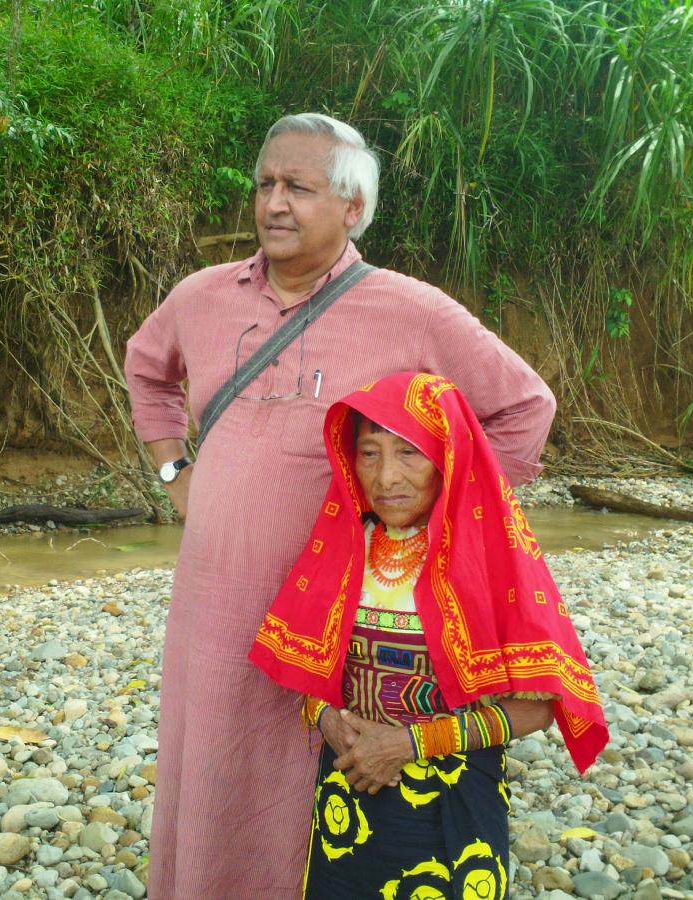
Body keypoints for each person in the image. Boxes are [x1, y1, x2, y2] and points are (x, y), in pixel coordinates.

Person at [124, 113, 558, 898]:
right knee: (213, 760)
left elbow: (525, 407)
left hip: (341, 615)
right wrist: (173, 473)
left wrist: (450, 525)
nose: (274, 204)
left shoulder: (411, 310)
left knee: (310, 775)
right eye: (265, 184)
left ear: (353, 208)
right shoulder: (201, 296)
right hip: (214, 601)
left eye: (299, 187)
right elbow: (146, 368)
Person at [250, 370, 609, 898]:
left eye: (409, 453)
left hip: (451, 809)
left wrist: (410, 743)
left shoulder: (490, 560)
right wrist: (325, 717)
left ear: (449, 458)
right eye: (369, 454)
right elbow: (304, 666)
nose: (386, 476)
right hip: (346, 797)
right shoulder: (342, 549)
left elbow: (541, 705)